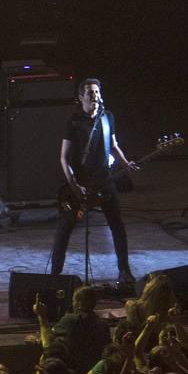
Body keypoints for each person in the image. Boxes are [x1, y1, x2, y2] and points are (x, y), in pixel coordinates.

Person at [49, 79, 136, 289]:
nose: (94, 95)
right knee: (65, 228)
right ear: (80, 97)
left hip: (104, 181)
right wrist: (74, 186)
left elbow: (113, 145)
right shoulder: (74, 122)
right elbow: (63, 158)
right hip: (80, 184)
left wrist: (126, 162)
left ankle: (124, 271)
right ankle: (54, 276)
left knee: (118, 226)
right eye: (89, 92)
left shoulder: (108, 117)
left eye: (97, 91)